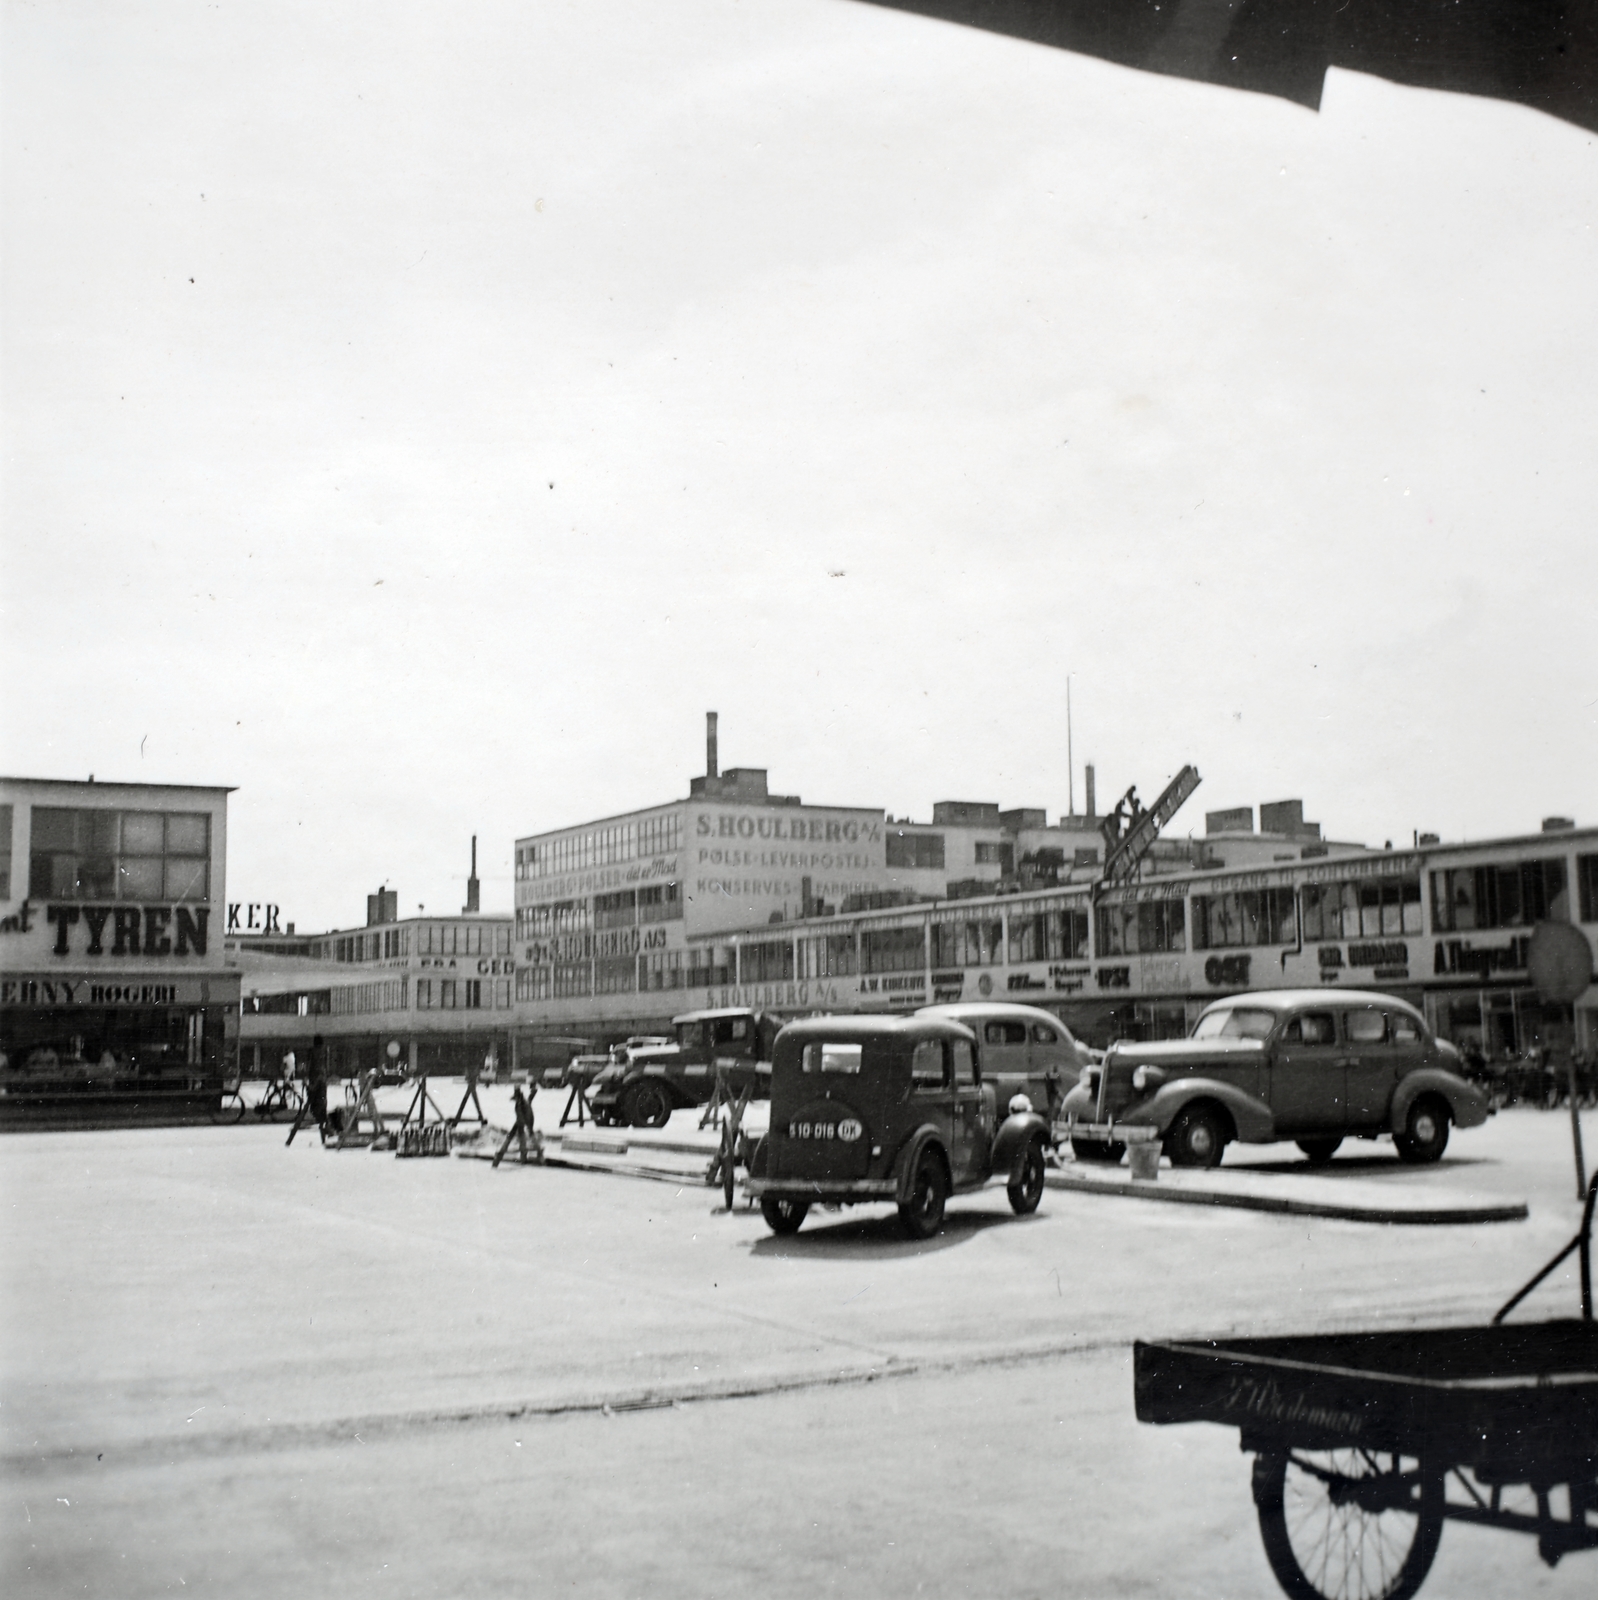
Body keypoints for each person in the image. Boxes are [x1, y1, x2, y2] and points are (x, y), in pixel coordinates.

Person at [307, 1035, 328, 1134]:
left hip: (315, 1079)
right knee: (322, 1100)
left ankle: (320, 1119)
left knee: (314, 1101)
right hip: (322, 1079)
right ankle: (323, 1121)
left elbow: (311, 1066)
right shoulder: (324, 1051)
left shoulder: (312, 1052)